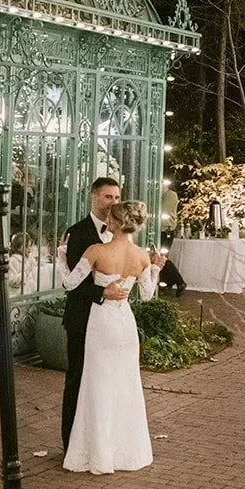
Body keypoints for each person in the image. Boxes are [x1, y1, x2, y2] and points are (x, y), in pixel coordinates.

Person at [58, 200, 164, 474]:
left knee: (97, 384)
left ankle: (99, 453)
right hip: (125, 326)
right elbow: (148, 295)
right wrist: (155, 268)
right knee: (125, 385)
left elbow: (69, 283)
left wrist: (61, 255)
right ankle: (125, 451)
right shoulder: (141, 255)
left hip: (102, 324)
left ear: (114, 223)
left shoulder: (96, 251)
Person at [59, 177, 125, 451]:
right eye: (108, 197)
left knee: (103, 382)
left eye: (117, 198)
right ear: (94, 197)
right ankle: (71, 443)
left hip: (110, 323)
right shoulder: (77, 233)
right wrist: (101, 294)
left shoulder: (121, 234)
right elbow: (73, 284)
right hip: (82, 319)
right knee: (78, 379)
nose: (113, 203)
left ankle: (99, 441)